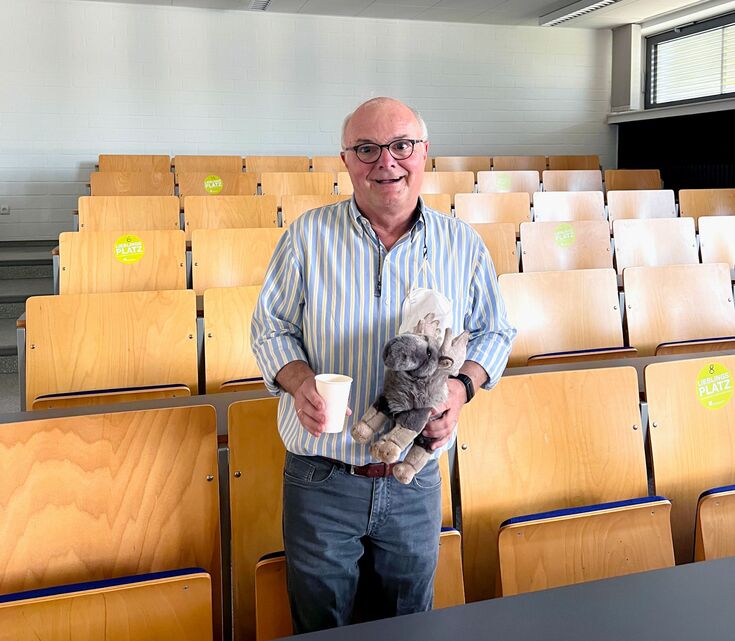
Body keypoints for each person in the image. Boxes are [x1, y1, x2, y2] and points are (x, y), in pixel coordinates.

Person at [251, 96, 515, 633]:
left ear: (424, 154)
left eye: (402, 146)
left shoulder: (461, 244)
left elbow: (496, 331)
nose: (386, 162)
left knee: (407, 623)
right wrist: (298, 381)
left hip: (415, 477)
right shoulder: (307, 236)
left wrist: (461, 389)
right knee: (321, 623)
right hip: (321, 475)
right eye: (367, 149)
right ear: (345, 160)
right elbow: (270, 328)